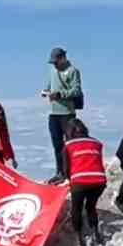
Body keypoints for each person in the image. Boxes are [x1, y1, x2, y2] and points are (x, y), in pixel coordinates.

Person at [61, 119, 108, 246]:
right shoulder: (96, 143)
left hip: (80, 181)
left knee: (76, 208)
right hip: (99, 181)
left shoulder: (68, 145)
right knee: (91, 206)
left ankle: (79, 238)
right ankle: (96, 234)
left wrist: (70, 181)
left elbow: (66, 170)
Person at [42, 47, 83, 184]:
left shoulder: (73, 71)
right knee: (57, 145)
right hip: (54, 113)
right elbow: (50, 85)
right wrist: (46, 91)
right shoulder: (53, 71)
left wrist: (60, 94)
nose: (54, 64)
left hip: (67, 113)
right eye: (53, 62)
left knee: (70, 144)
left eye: (56, 61)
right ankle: (60, 172)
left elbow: (76, 91)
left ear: (63, 58)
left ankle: (71, 172)